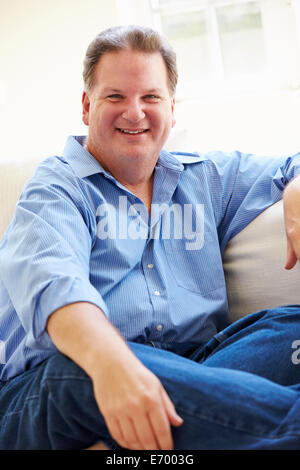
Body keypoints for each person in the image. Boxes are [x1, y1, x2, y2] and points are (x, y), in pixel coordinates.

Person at [1, 24, 300, 451]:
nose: (135, 112)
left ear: (172, 108)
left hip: (194, 367)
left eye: (151, 97)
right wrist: (113, 364)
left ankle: (158, 437)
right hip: (61, 384)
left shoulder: (207, 178)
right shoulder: (55, 189)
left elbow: (293, 161)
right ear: (87, 106)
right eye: (116, 97)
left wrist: (296, 188)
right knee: (85, 370)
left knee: (290, 328)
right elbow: (55, 287)